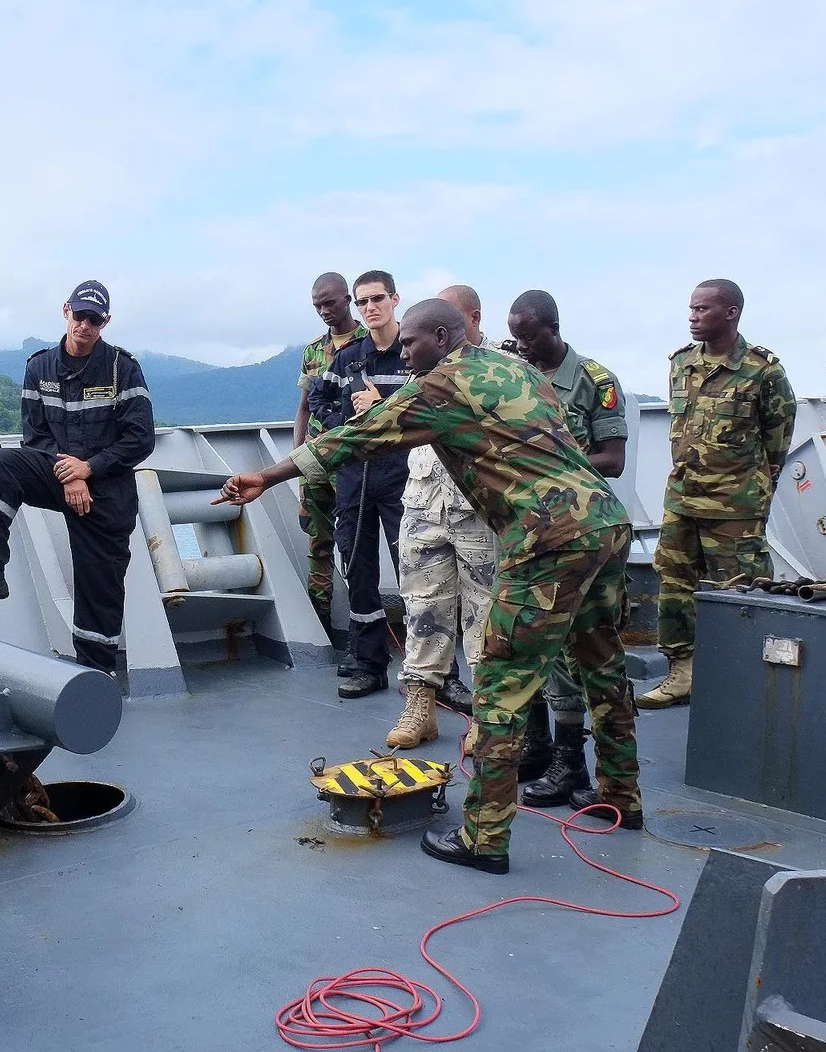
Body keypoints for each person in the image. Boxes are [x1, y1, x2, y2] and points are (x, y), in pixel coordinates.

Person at [221, 299, 640, 874]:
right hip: (605, 523)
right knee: (602, 664)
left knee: (500, 682)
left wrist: (266, 476)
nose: (404, 354)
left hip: (549, 538)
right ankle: (622, 794)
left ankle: (484, 838)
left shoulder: (439, 386)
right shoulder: (511, 367)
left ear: (441, 337)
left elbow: (354, 437)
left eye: (412, 344)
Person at [0, 280, 155, 678]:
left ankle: (97, 680)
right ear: (65, 311)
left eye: (95, 319)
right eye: (79, 314)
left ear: (105, 322)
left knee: (98, 595)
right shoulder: (39, 367)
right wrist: (69, 475)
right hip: (62, 477)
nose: (85, 325)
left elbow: (140, 439)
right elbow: (35, 436)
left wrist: (89, 469)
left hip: (108, 492)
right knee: (3, 464)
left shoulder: (123, 367)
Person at [639, 279, 796, 710]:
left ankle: (740, 678)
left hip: (735, 504)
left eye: (703, 309)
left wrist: (754, 487)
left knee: (740, 590)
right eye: (690, 309)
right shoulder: (681, 363)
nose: (692, 316)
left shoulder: (763, 371)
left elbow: (777, 438)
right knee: (673, 586)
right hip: (682, 498)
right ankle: (682, 672)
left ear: (731, 313)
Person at [504, 289, 630, 807]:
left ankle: (575, 763)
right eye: (515, 337)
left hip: (579, 533)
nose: (522, 347)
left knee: (581, 653)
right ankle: (544, 751)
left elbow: (613, 460)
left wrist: (554, 466)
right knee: (528, 642)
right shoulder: (518, 377)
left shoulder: (593, 383)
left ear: (553, 329)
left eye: (529, 337)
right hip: (527, 530)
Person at [389, 283, 491, 751]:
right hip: (423, 506)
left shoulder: (499, 372)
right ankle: (420, 709)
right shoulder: (421, 374)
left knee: (485, 615)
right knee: (421, 607)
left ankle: (485, 719)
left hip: (478, 511)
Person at [308, 271, 414, 700]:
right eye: (363, 301)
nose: (370, 308)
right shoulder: (349, 358)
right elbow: (319, 400)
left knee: (417, 570)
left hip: (403, 477)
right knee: (359, 571)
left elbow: (433, 407)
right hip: (355, 478)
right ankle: (370, 665)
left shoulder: (414, 355)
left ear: (394, 299)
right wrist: (348, 425)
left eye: (377, 299)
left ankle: (431, 673)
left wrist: (381, 406)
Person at [293, 272, 367, 638]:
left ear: (347, 299)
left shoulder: (370, 344)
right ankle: (321, 624)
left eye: (329, 303)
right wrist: (296, 457)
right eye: (317, 306)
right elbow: (304, 406)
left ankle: (363, 623)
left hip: (354, 459)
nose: (323, 311)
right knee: (317, 541)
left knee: (356, 541)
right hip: (316, 459)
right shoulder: (312, 351)